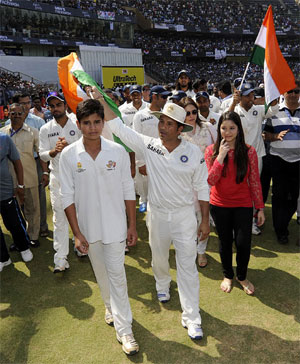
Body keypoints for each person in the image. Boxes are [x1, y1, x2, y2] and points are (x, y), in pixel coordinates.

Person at [92, 87, 210, 341]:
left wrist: (205, 221)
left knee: (187, 266)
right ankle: (162, 284)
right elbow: (121, 130)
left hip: (183, 217)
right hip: (157, 214)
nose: (163, 127)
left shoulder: (193, 153)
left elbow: (202, 187)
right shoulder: (151, 146)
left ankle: (192, 317)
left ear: (181, 129)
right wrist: (101, 101)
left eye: (169, 124)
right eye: (162, 122)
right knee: (158, 256)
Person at [59, 99, 139, 356]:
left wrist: (132, 225)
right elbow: (67, 197)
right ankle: (109, 307)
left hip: (116, 227)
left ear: (103, 123)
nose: (92, 128)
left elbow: (129, 189)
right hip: (89, 230)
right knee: (101, 274)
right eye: (87, 123)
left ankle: (125, 329)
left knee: (117, 276)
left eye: (97, 122)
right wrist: (77, 232)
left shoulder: (117, 151)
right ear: (79, 124)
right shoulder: (69, 155)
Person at [205, 111, 265, 295]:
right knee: (224, 242)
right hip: (219, 205)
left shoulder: (249, 151)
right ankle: (227, 275)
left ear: (239, 129)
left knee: (243, 243)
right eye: (224, 128)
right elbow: (211, 180)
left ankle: (242, 276)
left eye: (232, 128)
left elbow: (254, 181)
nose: (228, 132)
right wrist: (221, 156)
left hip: (243, 205)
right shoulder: (210, 151)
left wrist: (260, 208)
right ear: (219, 129)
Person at [228, 82, 279, 235]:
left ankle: (249, 223)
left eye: (252, 95)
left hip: (256, 156)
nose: (251, 97)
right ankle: (233, 222)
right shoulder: (235, 110)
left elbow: (273, 109)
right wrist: (233, 103)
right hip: (237, 157)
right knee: (236, 188)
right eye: (248, 95)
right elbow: (225, 120)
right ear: (240, 96)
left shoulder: (258, 109)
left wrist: (273, 91)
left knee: (252, 190)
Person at [39, 92, 81, 272]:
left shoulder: (77, 124)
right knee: (59, 217)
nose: (55, 108)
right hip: (57, 176)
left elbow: (86, 147)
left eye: (58, 104)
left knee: (80, 213)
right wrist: (54, 152)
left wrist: (69, 148)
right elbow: (41, 153)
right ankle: (61, 259)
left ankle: (80, 245)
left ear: (65, 105)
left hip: (78, 175)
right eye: (52, 106)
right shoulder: (45, 129)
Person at [2, 104, 48, 248]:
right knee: (13, 214)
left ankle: (33, 237)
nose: (16, 115)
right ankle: (19, 239)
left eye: (19, 113)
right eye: (13, 113)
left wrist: (45, 172)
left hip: (29, 178)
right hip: (8, 182)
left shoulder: (34, 132)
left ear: (25, 114)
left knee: (33, 209)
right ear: (8, 114)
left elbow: (41, 154)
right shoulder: (2, 134)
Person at [179, 97, 217, 268]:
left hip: (206, 182)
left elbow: (218, 148)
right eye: (187, 113)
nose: (192, 116)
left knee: (204, 218)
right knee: (188, 220)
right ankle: (190, 250)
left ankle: (201, 251)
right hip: (184, 183)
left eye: (194, 112)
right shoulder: (178, 133)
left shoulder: (208, 128)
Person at [263, 82, 300, 245]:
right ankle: (281, 230)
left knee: (294, 198)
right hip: (278, 160)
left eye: (296, 91)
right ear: (283, 93)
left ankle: (283, 222)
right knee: (279, 197)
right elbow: (265, 134)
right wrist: (275, 137)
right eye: (289, 91)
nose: (293, 94)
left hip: (298, 162)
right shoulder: (274, 112)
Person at [132, 85, 172, 213]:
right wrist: (141, 162)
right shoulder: (140, 115)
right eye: (163, 97)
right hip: (145, 156)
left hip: (164, 157)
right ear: (154, 97)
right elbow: (135, 140)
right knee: (144, 184)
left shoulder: (167, 114)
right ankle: (143, 200)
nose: (166, 99)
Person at [0, 132, 33, 272]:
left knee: (13, 222)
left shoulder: (4, 138)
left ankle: (24, 247)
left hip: (6, 191)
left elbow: (17, 162)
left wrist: (20, 185)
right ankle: (3, 258)